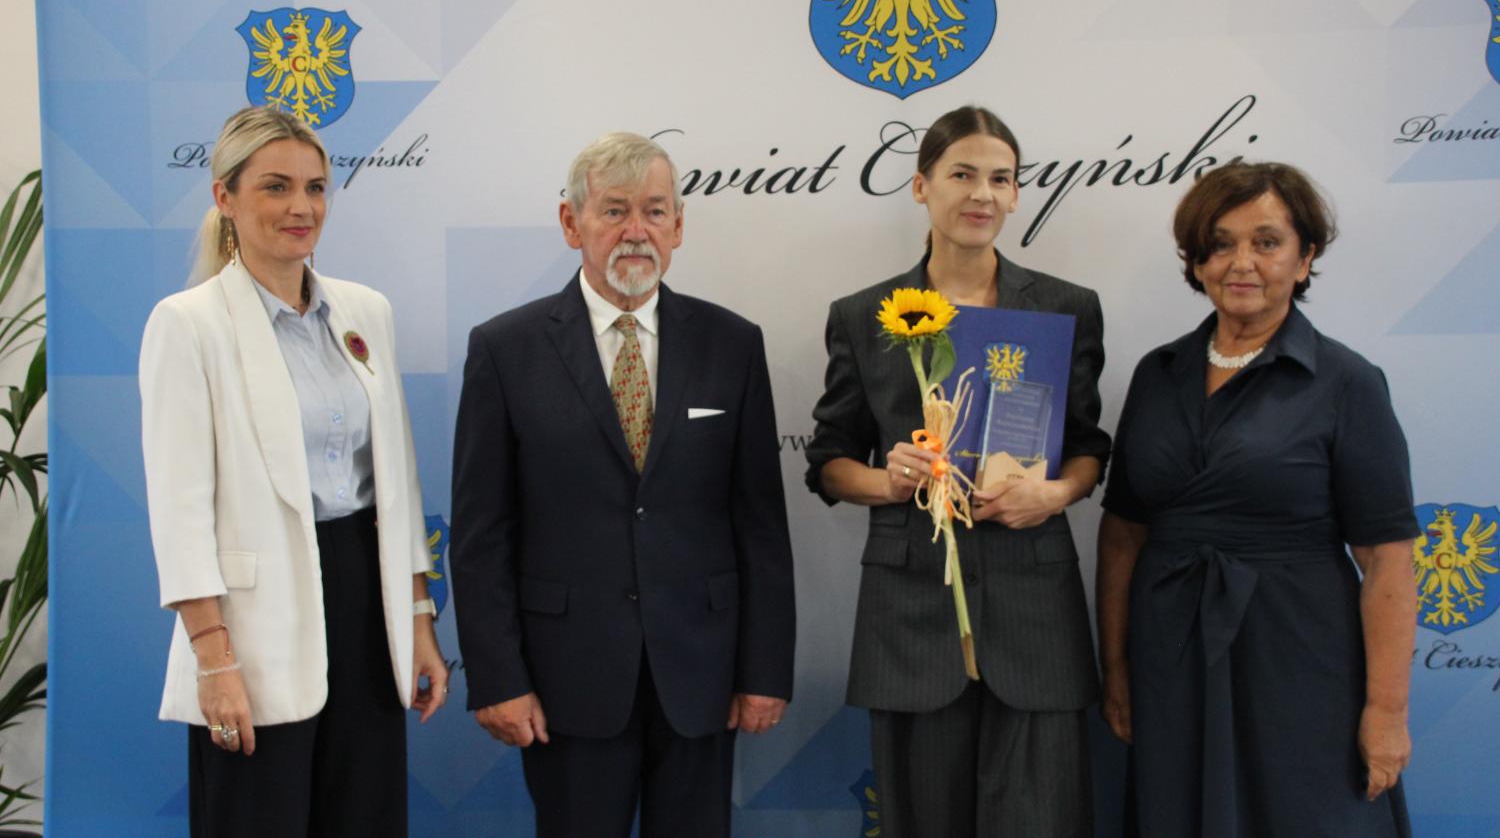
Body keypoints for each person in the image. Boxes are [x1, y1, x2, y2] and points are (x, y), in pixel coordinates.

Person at [449, 131, 796, 838]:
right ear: (571, 222)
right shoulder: (505, 349)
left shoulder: (733, 344)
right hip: (565, 682)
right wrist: (498, 677)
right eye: (614, 210)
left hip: (700, 677)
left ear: (678, 226)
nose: (636, 230)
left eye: (654, 211)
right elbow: (482, 535)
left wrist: (764, 670)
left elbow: (759, 523)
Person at [140, 106, 448, 838]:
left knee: (366, 819)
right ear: (224, 197)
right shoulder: (187, 324)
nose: (301, 207)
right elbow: (180, 511)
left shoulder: (366, 310)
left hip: (366, 602)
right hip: (251, 627)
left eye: (314, 187)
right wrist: (213, 662)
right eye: (275, 187)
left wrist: (417, 619)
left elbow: (396, 484)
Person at [805, 105, 1110, 838]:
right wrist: (887, 481)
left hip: (1035, 611)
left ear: (1016, 194)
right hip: (913, 616)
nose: (982, 194)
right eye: (963, 174)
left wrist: (1056, 493)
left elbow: (1089, 447)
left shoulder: (1067, 307)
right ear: (921, 186)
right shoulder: (864, 314)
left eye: (1000, 179)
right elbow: (828, 463)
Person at [1095, 161, 1417, 837]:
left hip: (1299, 654)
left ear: (1305, 258)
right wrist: (1116, 666)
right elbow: (1123, 534)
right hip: (1170, 652)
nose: (1241, 262)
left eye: (1266, 242)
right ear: (1197, 261)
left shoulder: (1347, 382)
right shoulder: (1157, 374)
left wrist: (1387, 712)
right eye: (1220, 244)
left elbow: (1387, 558)